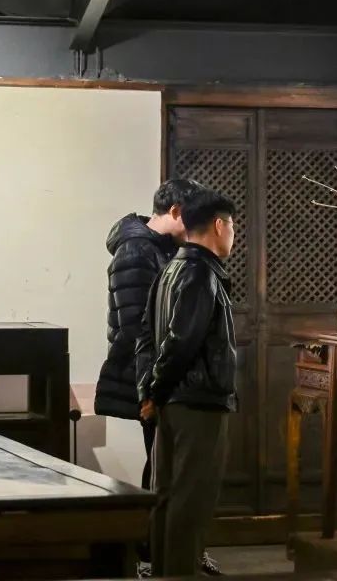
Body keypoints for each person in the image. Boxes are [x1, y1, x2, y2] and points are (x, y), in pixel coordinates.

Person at [93, 180, 223, 576]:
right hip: (151, 375)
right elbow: (138, 327)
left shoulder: (164, 248)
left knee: (171, 469)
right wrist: (152, 387)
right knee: (165, 471)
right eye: (193, 215)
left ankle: (171, 551)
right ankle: (154, 556)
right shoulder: (136, 249)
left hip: (165, 373)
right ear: (176, 211)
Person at [137, 189, 238, 578]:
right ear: (219, 225)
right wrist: (157, 391)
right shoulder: (200, 273)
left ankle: (166, 573)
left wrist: (150, 393)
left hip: (172, 402)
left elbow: (146, 339)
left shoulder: (170, 269)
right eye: (233, 226)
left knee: (167, 496)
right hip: (196, 403)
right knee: (190, 501)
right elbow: (181, 341)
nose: (233, 235)